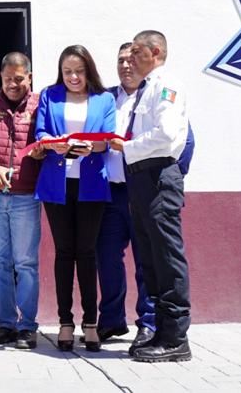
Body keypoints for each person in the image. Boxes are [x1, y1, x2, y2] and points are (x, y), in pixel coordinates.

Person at [108, 30, 192, 363]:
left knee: (167, 257)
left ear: (154, 51)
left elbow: (168, 134)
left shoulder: (165, 85)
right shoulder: (146, 90)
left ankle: (175, 337)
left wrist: (126, 147)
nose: (130, 59)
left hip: (159, 176)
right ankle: (160, 331)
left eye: (137, 52)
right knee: (150, 257)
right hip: (141, 178)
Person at [35, 45, 115, 352]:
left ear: (89, 70)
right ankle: (65, 322)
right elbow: (40, 131)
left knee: (87, 252)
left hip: (92, 183)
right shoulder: (49, 95)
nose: (73, 77)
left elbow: (108, 138)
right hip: (57, 184)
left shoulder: (103, 98)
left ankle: (90, 323)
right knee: (64, 252)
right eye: (67, 71)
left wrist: (92, 148)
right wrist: (51, 144)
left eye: (79, 71)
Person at [0, 52, 44, 350]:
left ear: (29, 77)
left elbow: (46, 138)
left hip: (26, 194)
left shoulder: (39, 102)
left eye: (19, 79)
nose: (13, 84)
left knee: (26, 263)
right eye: (8, 79)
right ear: (1, 77)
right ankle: (6, 324)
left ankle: (27, 327)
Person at [94, 43, 156, 350]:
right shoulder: (106, 98)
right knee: (106, 258)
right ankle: (112, 320)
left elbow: (184, 141)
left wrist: (170, 179)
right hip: (110, 193)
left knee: (146, 260)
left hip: (142, 191)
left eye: (131, 60)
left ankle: (148, 323)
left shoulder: (155, 96)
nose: (126, 66)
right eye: (120, 60)